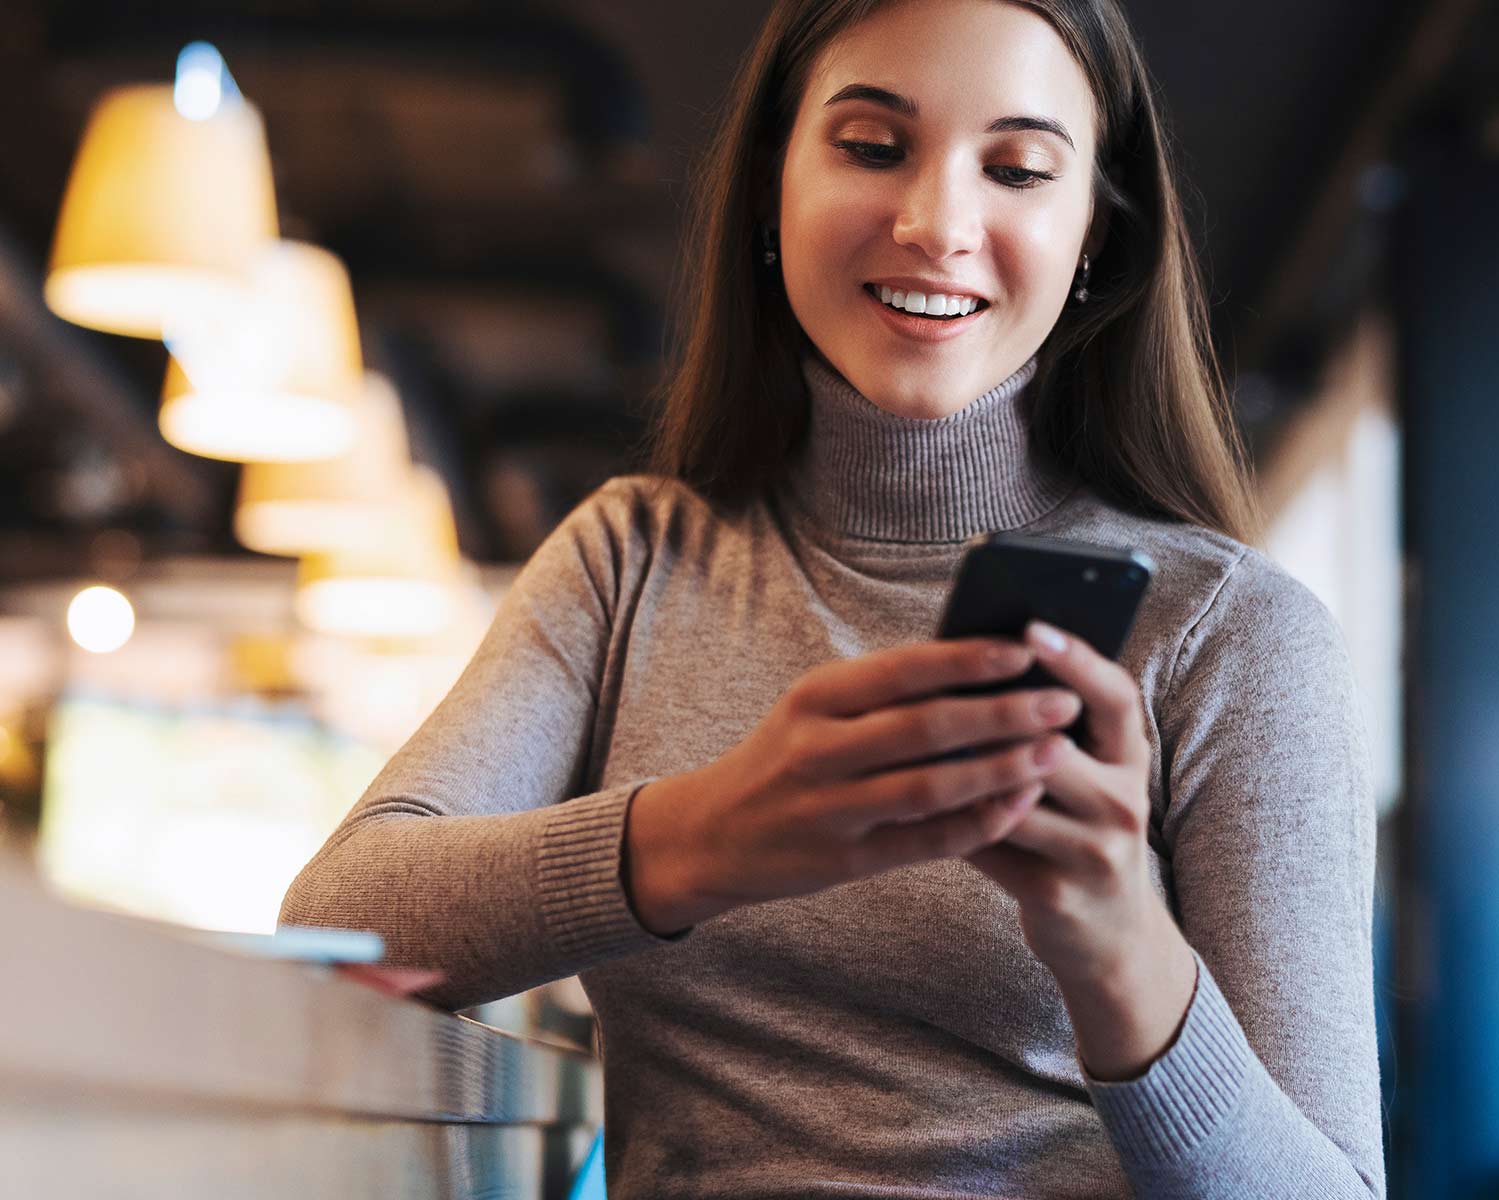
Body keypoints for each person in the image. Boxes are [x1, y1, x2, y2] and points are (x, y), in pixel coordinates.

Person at [280, 0, 1384, 1196]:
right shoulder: (631, 559)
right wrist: (710, 834)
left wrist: (1123, 956)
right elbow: (342, 917)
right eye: (872, 147)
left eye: (1015, 169)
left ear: (1094, 237)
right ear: (770, 187)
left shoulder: (1229, 633)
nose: (937, 224)